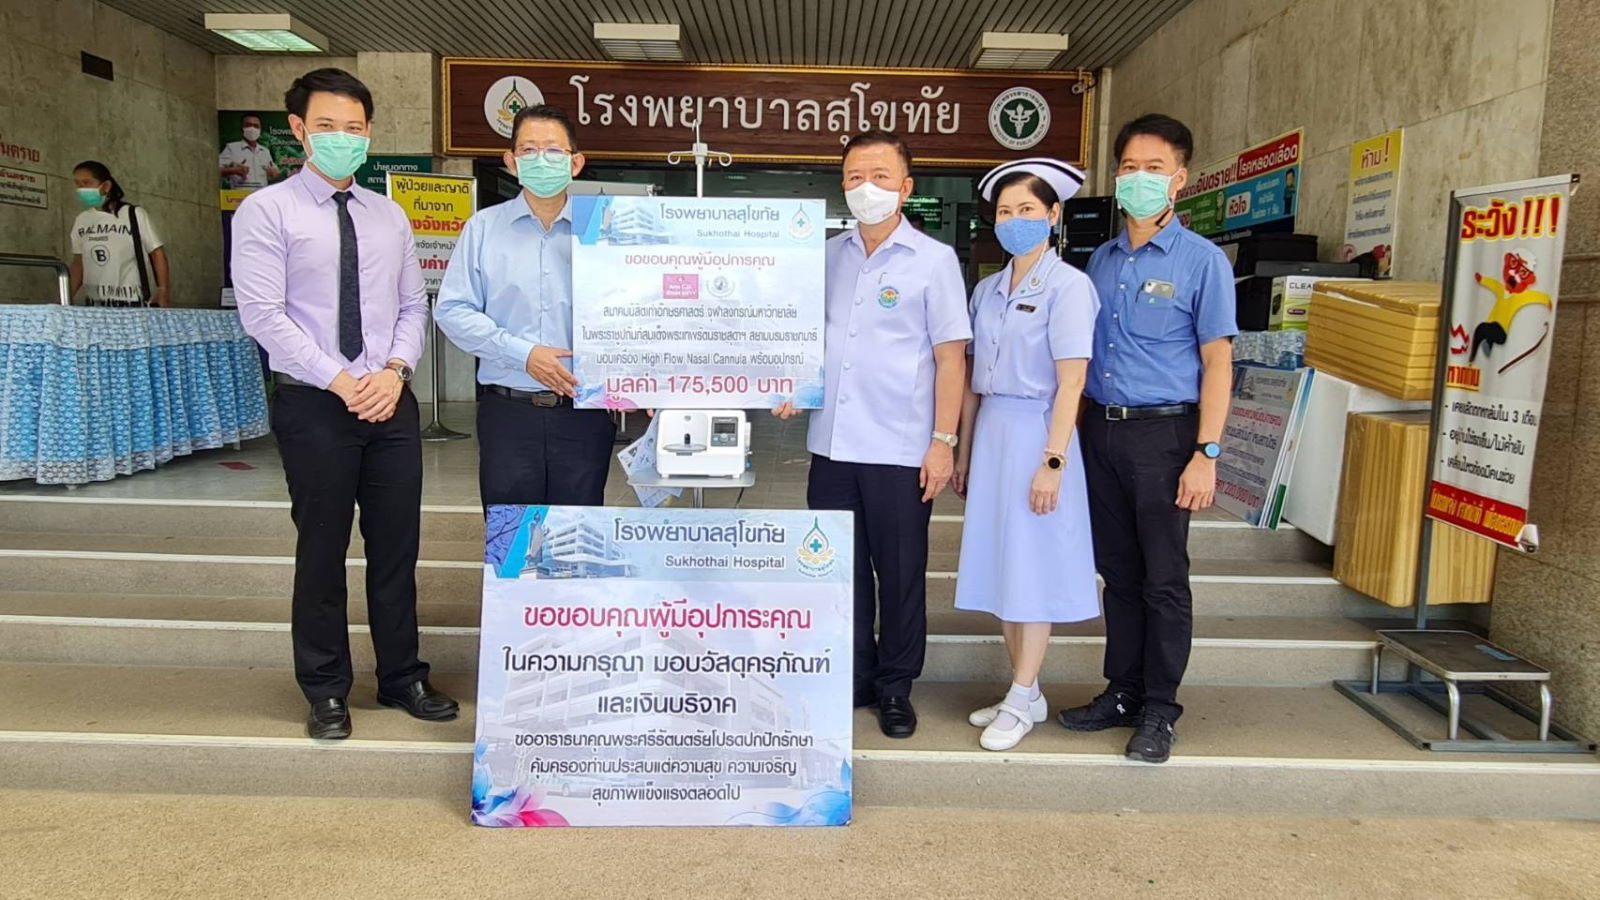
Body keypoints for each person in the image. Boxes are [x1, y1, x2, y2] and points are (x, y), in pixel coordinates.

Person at [232, 68, 458, 740]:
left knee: (397, 548)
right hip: (314, 404)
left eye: (353, 128)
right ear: (298, 129)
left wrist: (394, 371)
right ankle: (326, 688)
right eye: (326, 126)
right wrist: (339, 379)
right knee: (323, 550)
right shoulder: (266, 211)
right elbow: (263, 314)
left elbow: (413, 305)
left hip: (389, 401)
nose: (341, 138)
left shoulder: (388, 215)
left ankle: (402, 677)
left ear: (369, 133)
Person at [775, 130, 971, 739]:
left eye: (881, 176)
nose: (868, 188)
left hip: (900, 449)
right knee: (841, 570)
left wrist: (943, 442)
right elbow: (801, 337)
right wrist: (787, 381)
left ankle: (895, 686)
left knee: (901, 572)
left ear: (906, 187)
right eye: (856, 176)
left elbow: (951, 360)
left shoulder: (933, 261)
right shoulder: (825, 256)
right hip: (831, 446)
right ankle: (856, 675)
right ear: (843, 184)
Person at [1058, 114, 1237, 764]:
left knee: (1164, 578)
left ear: (1179, 179)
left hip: (1166, 436)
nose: (1139, 179)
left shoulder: (1203, 262)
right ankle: (1123, 692)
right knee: (1120, 575)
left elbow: (1218, 362)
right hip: (1101, 432)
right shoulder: (1099, 261)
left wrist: (1206, 453)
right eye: (1129, 167)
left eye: (1154, 169)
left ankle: (1161, 707)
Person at [952, 158, 1099, 752]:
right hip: (992, 431)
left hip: (1038, 431)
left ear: (1053, 215)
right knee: (1002, 566)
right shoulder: (987, 289)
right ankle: (1026, 690)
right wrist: (962, 450)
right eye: (1006, 211)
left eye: (1028, 210)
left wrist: (1053, 462)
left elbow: (1072, 381)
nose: (1015, 220)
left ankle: (1021, 693)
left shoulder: (1069, 287)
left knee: (1032, 568)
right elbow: (970, 380)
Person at [436, 104, 616, 509]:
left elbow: (632, 311)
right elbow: (453, 310)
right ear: (511, 161)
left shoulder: (604, 231)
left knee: (578, 529)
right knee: (512, 534)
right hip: (508, 412)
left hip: (583, 411)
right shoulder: (483, 228)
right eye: (529, 150)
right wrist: (524, 354)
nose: (541, 159)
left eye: (553, 150)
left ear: (575, 162)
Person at [68, 161, 170, 308]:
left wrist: (163, 290)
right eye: (78, 184)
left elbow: (157, 253)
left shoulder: (133, 214)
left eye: (87, 183)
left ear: (106, 186)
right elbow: (79, 263)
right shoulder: (82, 220)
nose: (81, 189)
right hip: (94, 304)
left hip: (132, 302)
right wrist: (64, 297)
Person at [219, 113, 281, 188]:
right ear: (242, 128)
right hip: (240, 194)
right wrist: (234, 170)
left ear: (260, 130)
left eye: (256, 126)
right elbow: (217, 171)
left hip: (261, 193)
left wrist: (274, 173)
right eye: (248, 125)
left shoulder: (265, 151)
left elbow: (276, 173)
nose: (252, 129)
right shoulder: (232, 148)